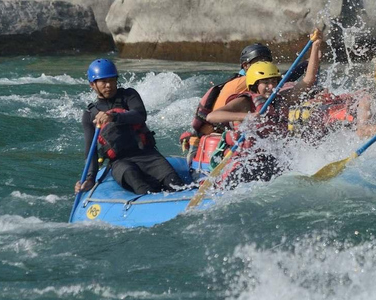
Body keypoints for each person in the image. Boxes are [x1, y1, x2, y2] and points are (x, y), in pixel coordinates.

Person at [205, 28, 323, 182]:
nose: (270, 86)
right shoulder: (245, 101)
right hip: (247, 163)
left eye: (273, 81)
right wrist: (248, 116)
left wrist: (315, 46)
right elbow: (212, 116)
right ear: (254, 84)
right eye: (265, 83)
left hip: (274, 160)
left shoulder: (281, 99)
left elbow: (308, 81)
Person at [75, 59, 185, 195]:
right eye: (103, 82)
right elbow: (90, 151)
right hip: (120, 162)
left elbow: (139, 115)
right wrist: (90, 178)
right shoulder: (89, 115)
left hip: (147, 154)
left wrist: (113, 117)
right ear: (93, 84)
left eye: (112, 80)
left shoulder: (129, 95)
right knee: (141, 186)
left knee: (175, 184)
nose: (109, 85)